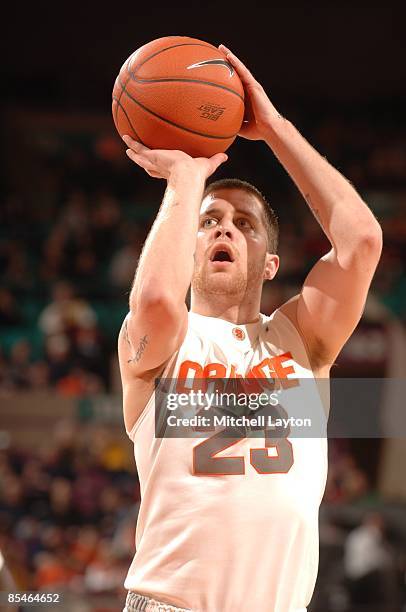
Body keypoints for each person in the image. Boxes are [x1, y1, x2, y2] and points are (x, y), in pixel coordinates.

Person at [117, 45, 382, 612]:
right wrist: (186, 179)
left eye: (244, 224)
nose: (225, 230)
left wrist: (275, 128)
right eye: (210, 221)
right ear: (189, 249)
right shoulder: (165, 340)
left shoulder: (301, 341)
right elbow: (161, 299)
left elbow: (361, 243)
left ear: (269, 264)